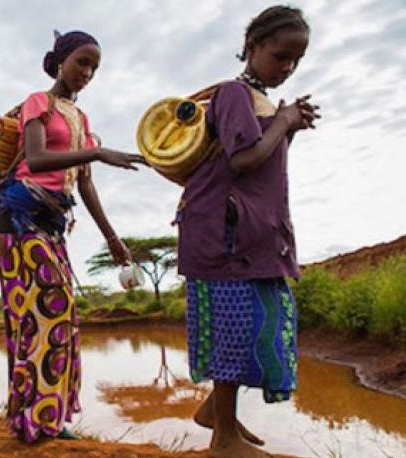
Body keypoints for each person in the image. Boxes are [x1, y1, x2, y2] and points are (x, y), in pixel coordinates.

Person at [176, 6, 320, 457]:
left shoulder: (260, 102)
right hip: (223, 236)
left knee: (259, 324)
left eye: (296, 59)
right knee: (234, 328)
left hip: (252, 236)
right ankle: (223, 441)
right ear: (253, 47)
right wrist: (284, 121)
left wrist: (287, 124)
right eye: (281, 55)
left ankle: (215, 414)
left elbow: (263, 162)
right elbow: (242, 161)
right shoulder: (232, 93)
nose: (288, 67)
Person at [0, 30, 146, 443]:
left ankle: (50, 416)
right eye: (82, 61)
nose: (88, 72)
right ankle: (31, 418)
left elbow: (85, 185)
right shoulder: (37, 102)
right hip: (20, 216)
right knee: (45, 307)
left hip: (54, 222)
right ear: (61, 60)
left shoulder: (81, 119)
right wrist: (98, 151)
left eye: (94, 66)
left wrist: (112, 238)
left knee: (63, 316)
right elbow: (39, 157)